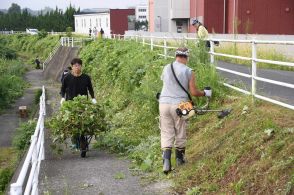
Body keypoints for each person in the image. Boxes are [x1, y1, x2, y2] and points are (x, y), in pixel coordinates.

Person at [158, 47, 212, 174]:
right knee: (180, 130)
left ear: (176, 55)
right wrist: (205, 93)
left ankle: (166, 162)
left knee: (166, 132)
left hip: (163, 103)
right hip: (181, 105)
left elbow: (166, 85)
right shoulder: (189, 71)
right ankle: (180, 160)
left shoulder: (167, 67)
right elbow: (193, 92)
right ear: (186, 57)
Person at [60, 58, 97, 154]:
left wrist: (93, 98)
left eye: (79, 65)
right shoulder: (67, 77)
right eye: (75, 66)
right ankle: (76, 140)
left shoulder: (86, 77)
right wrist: (63, 98)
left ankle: (82, 141)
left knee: (84, 123)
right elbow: (62, 90)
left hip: (84, 104)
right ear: (72, 67)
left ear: (81, 66)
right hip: (70, 105)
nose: (77, 67)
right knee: (73, 125)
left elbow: (90, 89)